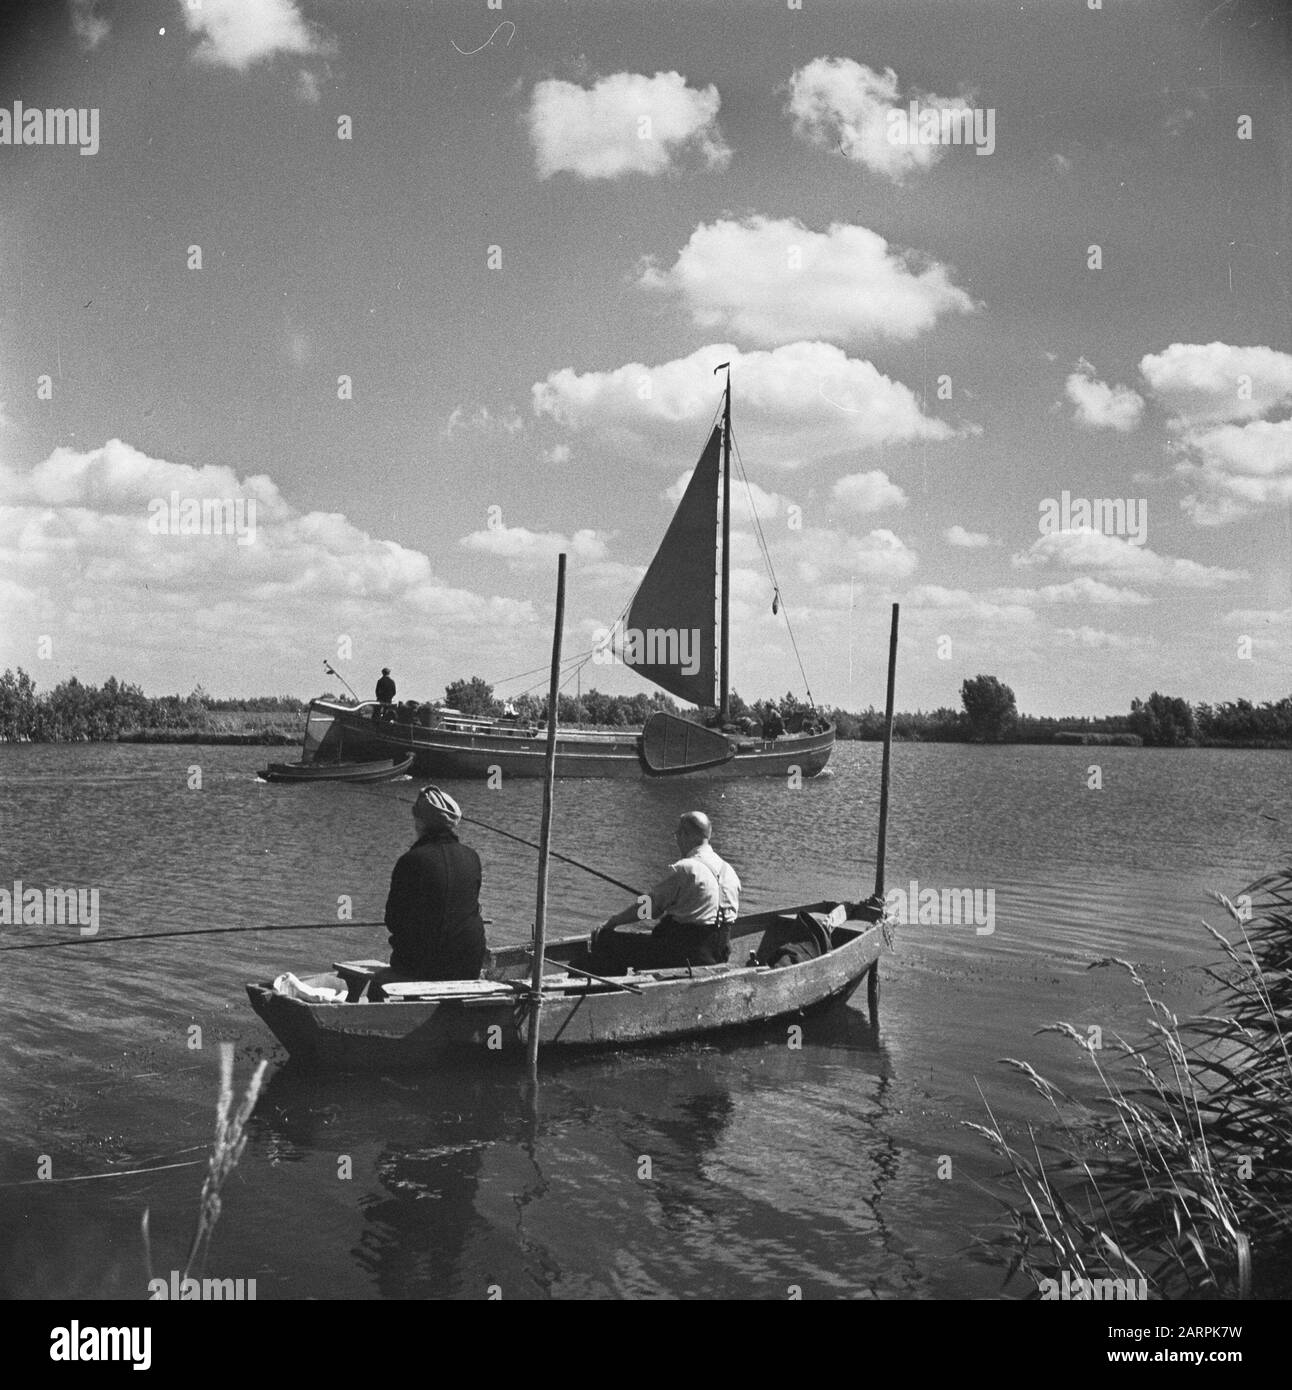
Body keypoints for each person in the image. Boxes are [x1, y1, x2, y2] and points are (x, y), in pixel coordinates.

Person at [586, 811, 740, 974]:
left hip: (683, 956)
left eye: (677, 835)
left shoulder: (685, 868)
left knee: (606, 940)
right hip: (718, 954)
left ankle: (610, 995)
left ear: (685, 835)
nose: (677, 841)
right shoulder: (729, 871)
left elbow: (649, 909)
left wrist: (613, 922)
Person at [373, 785, 486, 993]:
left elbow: (393, 920)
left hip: (425, 966)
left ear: (420, 822)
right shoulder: (472, 857)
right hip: (469, 964)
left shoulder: (411, 861)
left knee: (376, 986)